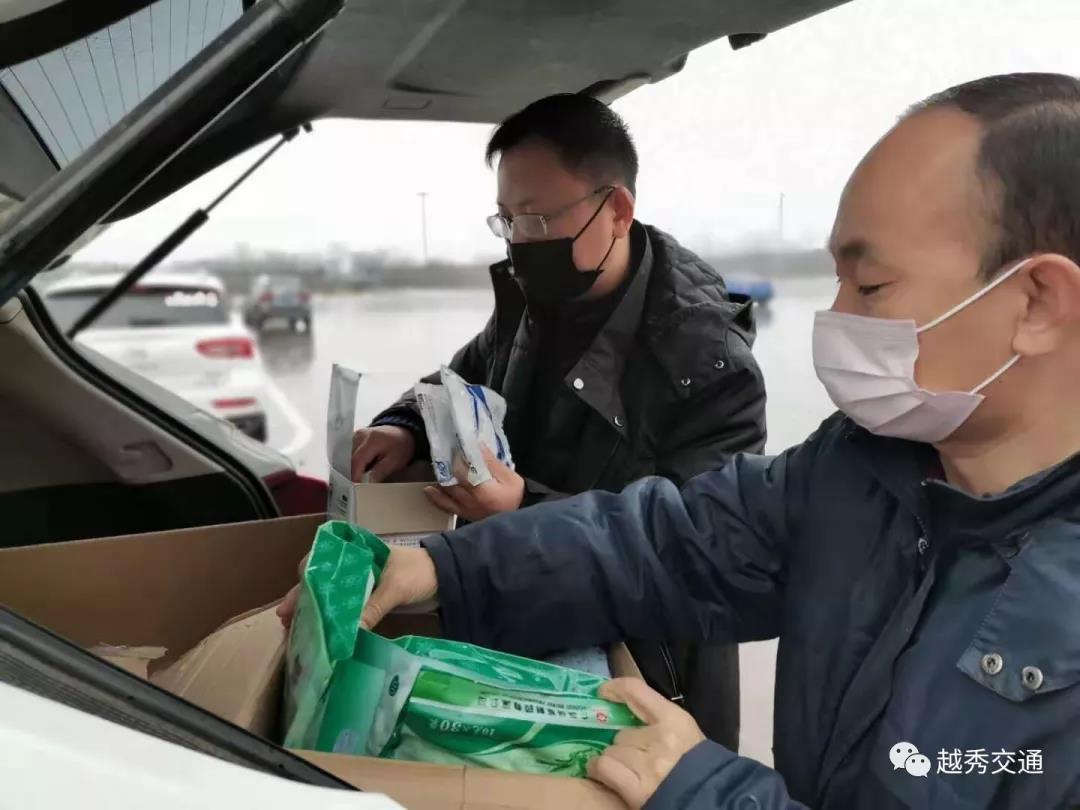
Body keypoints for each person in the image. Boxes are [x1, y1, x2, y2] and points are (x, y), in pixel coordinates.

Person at [288, 73, 1080, 809]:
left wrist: (705, 790)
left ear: (1038, 303)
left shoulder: (703, 356)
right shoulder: (860, 467)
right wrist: (441, 568)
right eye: (836, 280)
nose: (837, 318)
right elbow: (667, 540)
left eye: (870, 286)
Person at [347, 94, 768, 750]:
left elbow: (694, 549)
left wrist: (523, 505)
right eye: (507, 219)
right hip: (522, 621)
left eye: (538, 218)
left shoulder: (708, 363)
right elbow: (456, 382)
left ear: (617, 209)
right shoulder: (531, 303)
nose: (520, 241)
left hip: (646, 678)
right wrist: (404, 426)